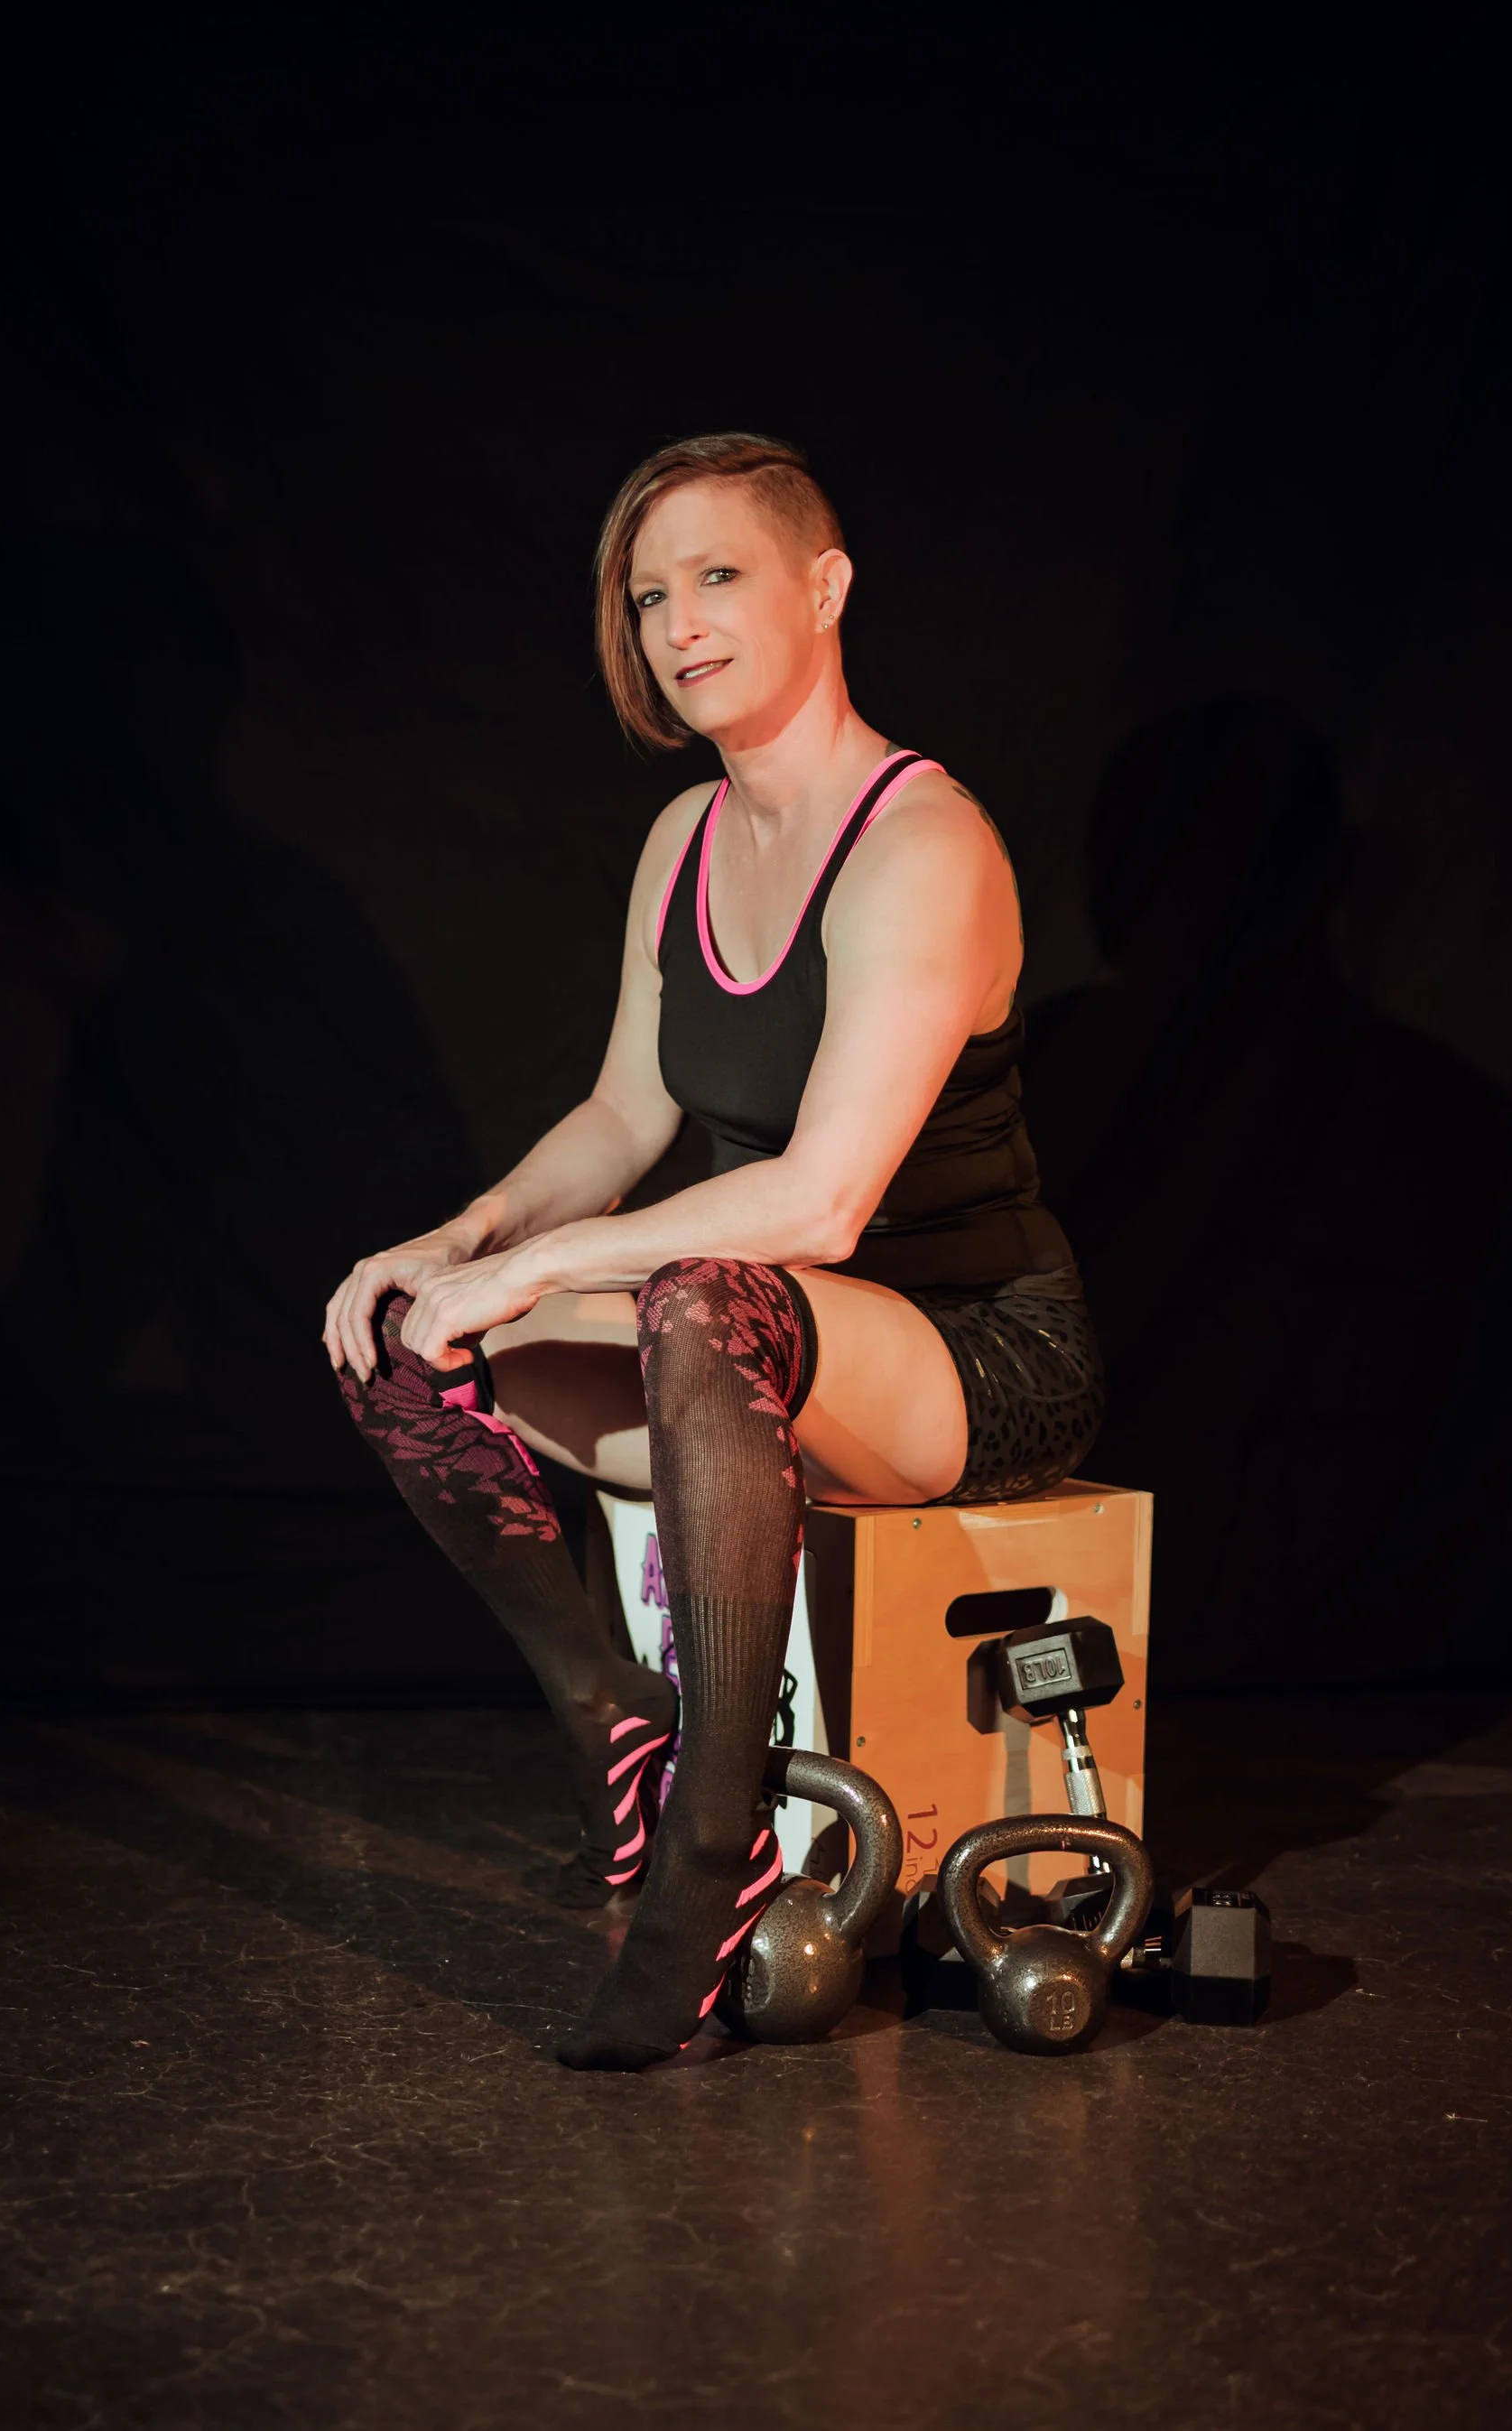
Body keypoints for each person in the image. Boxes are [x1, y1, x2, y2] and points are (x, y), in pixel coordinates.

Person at [325, 433, 1103, 2070]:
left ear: (824, 585)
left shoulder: (922, 844)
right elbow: (623, 1111)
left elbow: (820, 1205)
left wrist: (556, 1271)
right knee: (401, 1336)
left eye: (719, 576)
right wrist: (460, 1243)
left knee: (698, 1294)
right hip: (742, 1335)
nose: (678, 623)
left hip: (968, 1354)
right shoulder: (682, 837)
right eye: (647, 593)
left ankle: (707, 1849)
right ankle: (622, 1726)